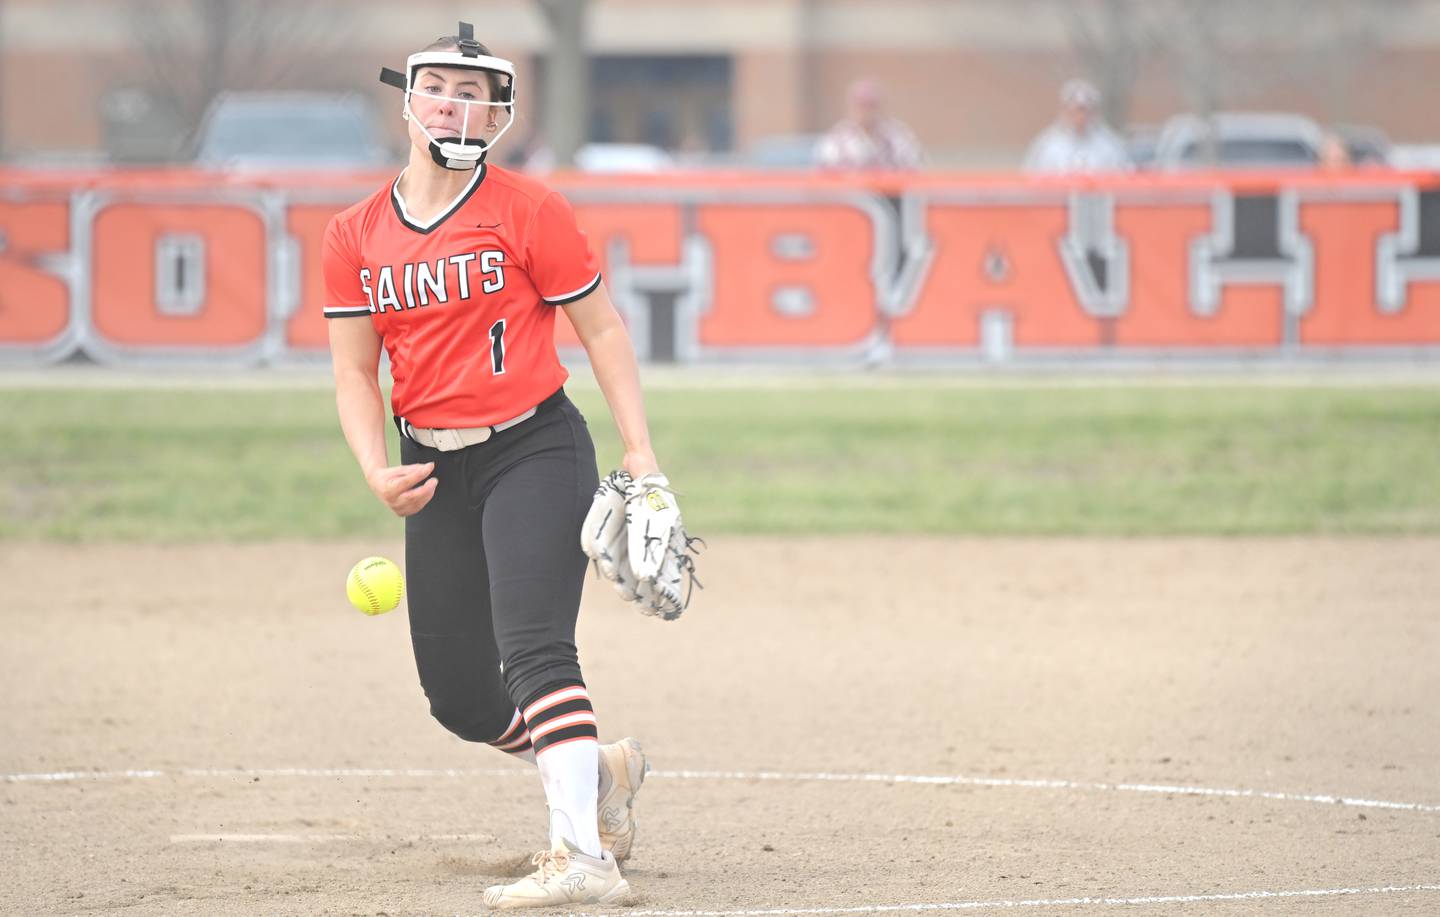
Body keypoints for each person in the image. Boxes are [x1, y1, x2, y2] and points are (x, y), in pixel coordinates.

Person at [323, 22, 677, 909]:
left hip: (535, 447)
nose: (454, 102)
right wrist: (374, 466)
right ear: (407, 99)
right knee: (462, 700)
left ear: (499, 113)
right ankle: (597, 772)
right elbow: (354, 371)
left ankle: (583, 858)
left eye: (474, 91)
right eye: (439, 86)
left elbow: (600, 329)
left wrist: (640, 449)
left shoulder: (528, 209)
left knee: (533, 647)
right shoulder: (355, 232)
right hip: (431, 464)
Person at [1023, 78, 1130, 174]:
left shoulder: (1110, 147)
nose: (1080, 117)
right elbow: (1030, 179)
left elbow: (1124, 178)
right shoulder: (1046, 147)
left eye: (1085, 111)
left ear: (1094, 113)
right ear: (1064, 111)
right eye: (1074, 111)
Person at [815, 78, 923, 171]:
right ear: (851, 107)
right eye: (861, 105)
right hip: (852, 193)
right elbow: (824, 183)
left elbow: (916, 170)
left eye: (872, 105)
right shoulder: (836, 140)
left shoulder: (898, 135)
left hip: (891, 194)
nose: (866, 112)